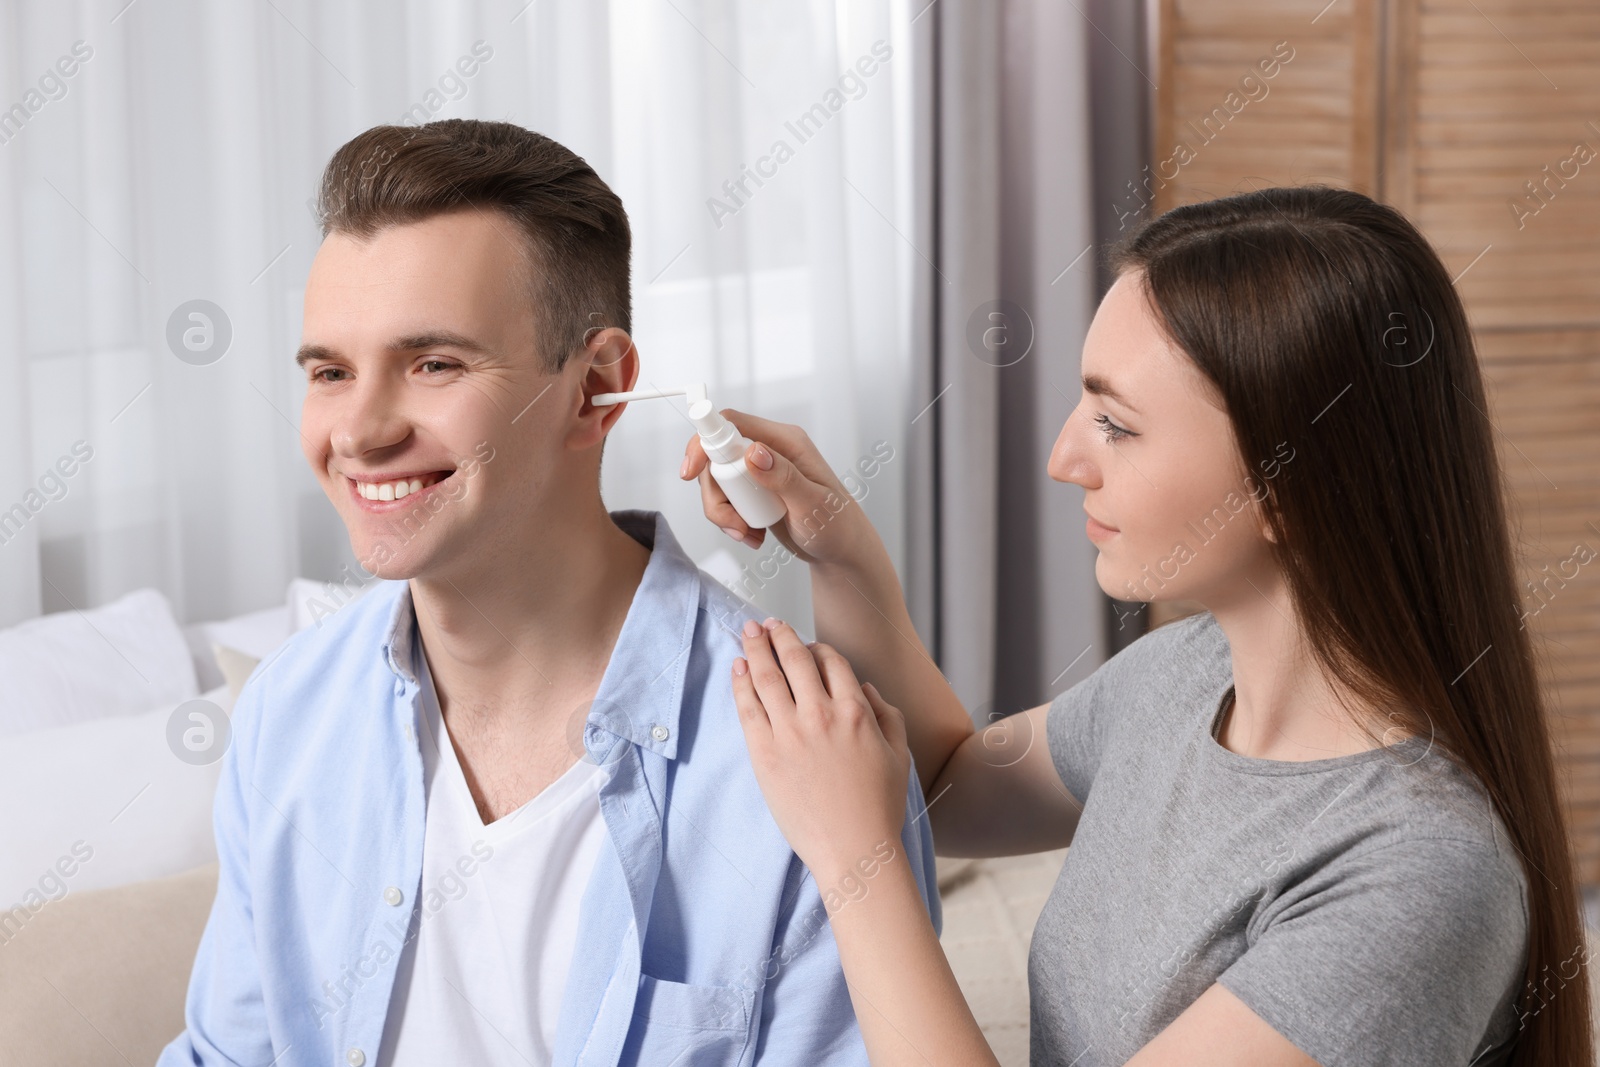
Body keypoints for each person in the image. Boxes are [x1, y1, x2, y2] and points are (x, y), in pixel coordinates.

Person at [682, 185, 1592, 1066]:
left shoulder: (1417, 880)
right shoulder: (1190, 671)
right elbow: (951, 784)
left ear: (1287, 482)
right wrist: (842, 553)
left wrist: (857, 857)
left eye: (1115, 424)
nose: (1064, 458)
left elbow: (901, 814)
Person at [158, 119, 952, 1067]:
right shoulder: (288, 717)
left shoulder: (808, 761)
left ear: (597, 388)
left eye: (433, 364)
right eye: (330, 371)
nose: (359, 432)